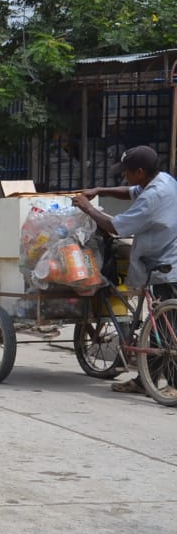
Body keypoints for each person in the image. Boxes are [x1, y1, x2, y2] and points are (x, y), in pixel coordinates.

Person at [72, 144, 177, 394]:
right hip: (168, 254)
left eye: (127, 172)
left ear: (140, 171)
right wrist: (100, 190)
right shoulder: (164, 180)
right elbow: (130, 191)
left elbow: (115, 227)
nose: (124, 176)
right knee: (161, 325)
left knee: (168, 329)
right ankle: (145, 381)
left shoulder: (153, 197)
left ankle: (173, 384)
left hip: (164, 262)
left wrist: (87, 207)